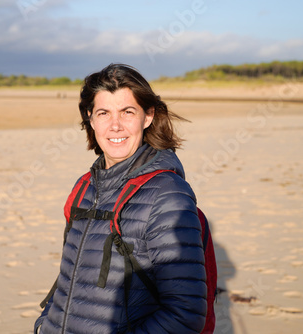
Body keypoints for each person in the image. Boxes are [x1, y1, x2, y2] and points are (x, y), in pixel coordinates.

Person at [34, 63, 208, 333]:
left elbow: (186, 314)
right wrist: (44, 324)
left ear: (147, 116)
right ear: (90, 119)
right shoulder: (84, 187)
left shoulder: (168, 194)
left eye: (128, 112)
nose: (115, 126)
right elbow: (70, 277)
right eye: (104, 113)